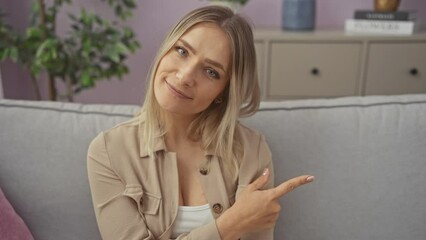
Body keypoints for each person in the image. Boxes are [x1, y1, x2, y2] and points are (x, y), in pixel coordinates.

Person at [87, 5, 314, 240]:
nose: (185, 76)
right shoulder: (108, 152)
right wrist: (229, 225)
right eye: (182, 51)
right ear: (165, 49)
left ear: (223, 92)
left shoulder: (251, 152)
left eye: (210, 72)